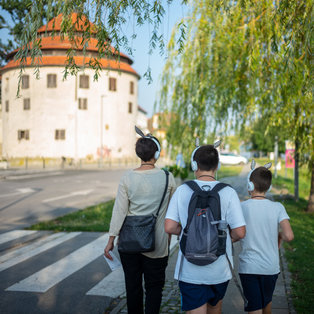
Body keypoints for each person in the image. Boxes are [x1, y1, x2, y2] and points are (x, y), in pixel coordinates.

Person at [165, 144, 246, 314]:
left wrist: (190, 234)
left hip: (189, 270)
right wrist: (221, 238)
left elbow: (170, 226)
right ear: (218, 166)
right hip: (219, 270)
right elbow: (240, 232)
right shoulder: (228, 192)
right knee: (215, 308)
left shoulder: (182, 191)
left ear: (194, 165)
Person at [104, 131, 176, 314]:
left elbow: (119, 211)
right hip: (158, 244)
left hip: (130, 243)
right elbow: (173, 211)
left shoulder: (127, 178)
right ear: (157, 154)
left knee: (132, 287)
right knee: (154, 288)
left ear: (138, 154)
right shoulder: (168, 178)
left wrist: (111, 239)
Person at [239, 164, 294, 314]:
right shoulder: (278, 207)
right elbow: (289, 235)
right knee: (266, 303)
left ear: (250, 185)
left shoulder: (241, 207)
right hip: (271, 268)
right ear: (268, 187)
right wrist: (280, 235)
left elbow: (236, 234)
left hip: (249, 268)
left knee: (255, 308)